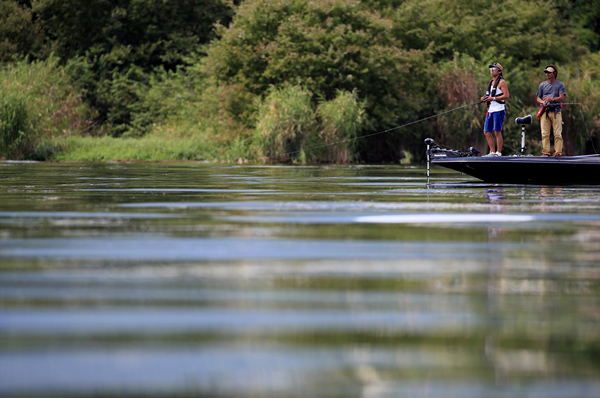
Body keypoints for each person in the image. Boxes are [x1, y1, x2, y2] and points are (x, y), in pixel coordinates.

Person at [536, 64, 566, 157]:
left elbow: (561, 97)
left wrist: (552, 99)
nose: (547, 74)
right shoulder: (542, 85)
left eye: (549, 72)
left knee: (557, 134)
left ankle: (558, 153)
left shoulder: (560, 84)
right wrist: (542, 102)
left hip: (556, 111)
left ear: (555, 73)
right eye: (546, 72)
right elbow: (538, 98)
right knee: (545, 133)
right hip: (545, 112)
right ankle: (546, 152)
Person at [480, 62, 509, 157]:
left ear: (499, 71)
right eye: (490, 69)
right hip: (490, 110)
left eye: (494, 69)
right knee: (487, 131)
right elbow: (490, 95)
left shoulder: (501, 82)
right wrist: (484, 98)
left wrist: (494, 98)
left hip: (498, 110)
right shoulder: (491, 82)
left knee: (497, 131)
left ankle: (498, 152)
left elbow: (506, 95)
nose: (492, 71)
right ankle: (492, 152)